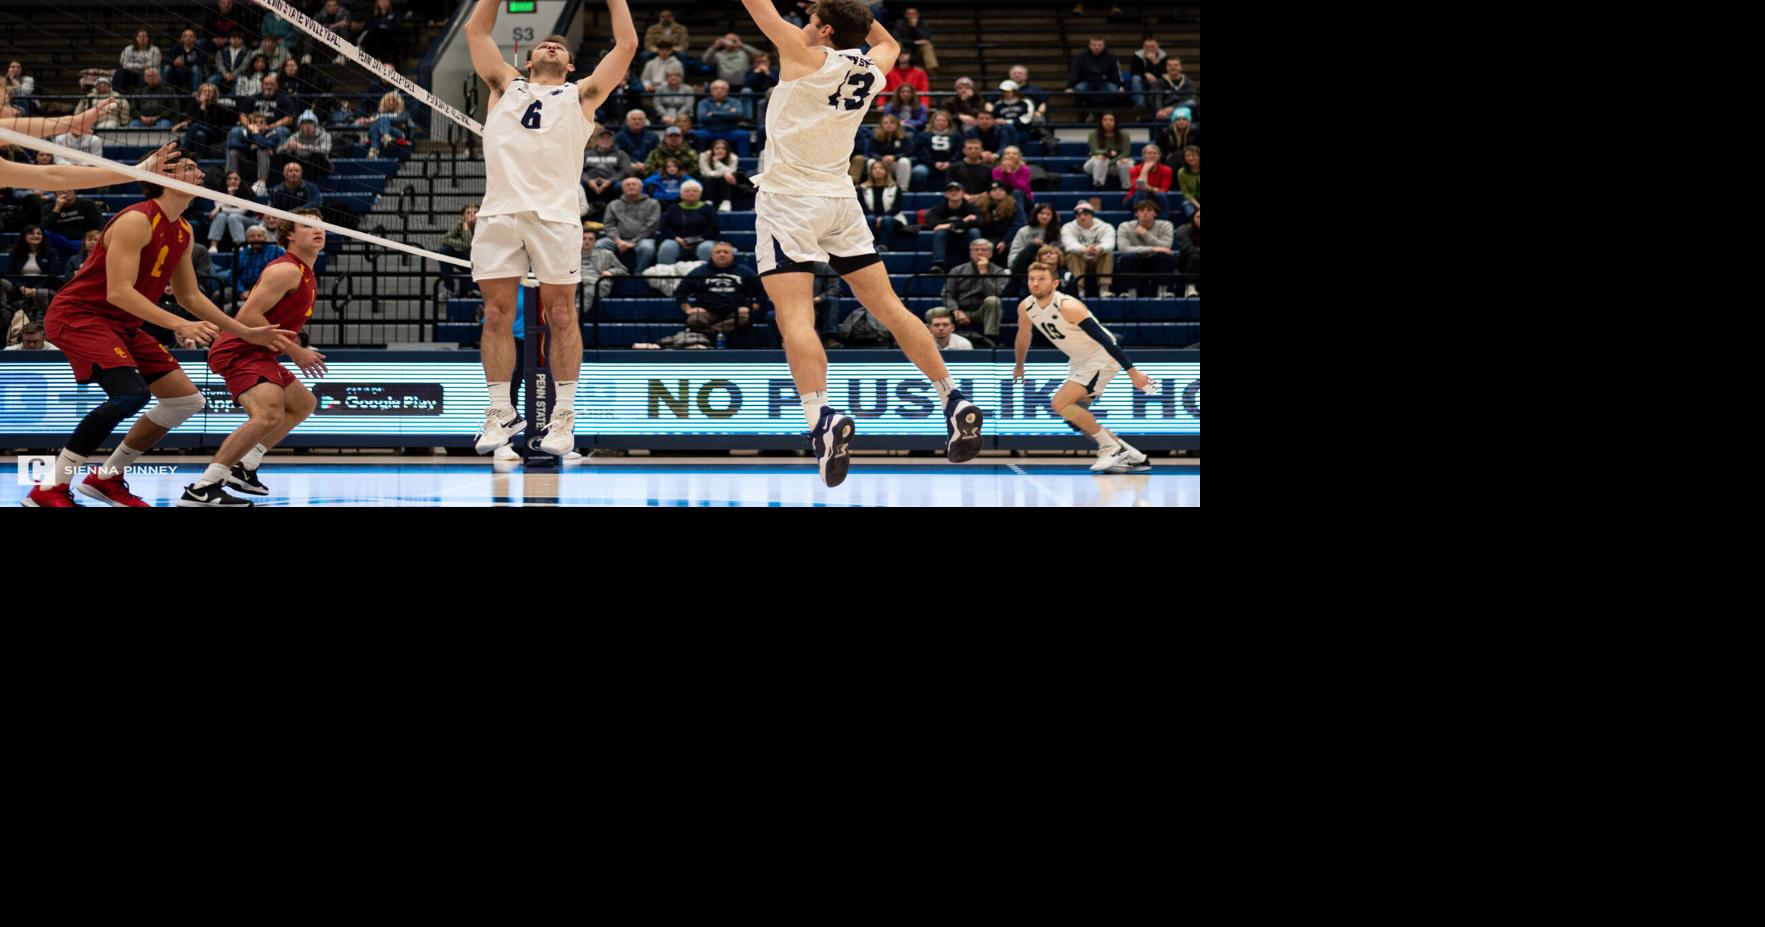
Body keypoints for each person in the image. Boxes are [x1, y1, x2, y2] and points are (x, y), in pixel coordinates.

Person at [740, 0, 983, 486]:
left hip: (790, 201)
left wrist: (837, 14)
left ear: (825, 29)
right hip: (840, 201)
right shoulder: (875, 66)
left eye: (811, 21)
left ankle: (820, 417)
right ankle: (951, 396)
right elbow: (888, 40)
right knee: (890, 307)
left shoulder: (800, 55)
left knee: (795, 318)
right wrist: (849, 11)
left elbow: (758, 8)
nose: (801, 26)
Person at [23, 155, 291, 508]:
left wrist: (245, 331)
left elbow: (189, 295)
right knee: (130, 395)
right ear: (163, 178)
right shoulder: (137, 219)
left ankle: (106, 479)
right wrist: (177, 323)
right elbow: (117, 291)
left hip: (122, 324)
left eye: (197, 168)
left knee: (185, 401)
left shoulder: (184, 229)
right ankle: (49, 488)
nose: (198, 173)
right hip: (81, 314)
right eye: (188, 168)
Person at [465, 0, 637, 457]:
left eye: (559, 47)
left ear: (571, 63)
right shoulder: (505, 84)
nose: (551, 47)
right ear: (527, 60)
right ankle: (500, 412)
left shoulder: (581, 95)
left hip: (556, 217)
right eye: (544, 45)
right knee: (497, 316)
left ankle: (564, 419)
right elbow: (478, 34)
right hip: (499, 212)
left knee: (560, 316)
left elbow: (627, 44)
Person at [189, 208, 330, 505]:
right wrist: (296, 351)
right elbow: (248, 314)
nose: (318, 230)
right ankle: (204, 486)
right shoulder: (286, 270)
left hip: (261, 351)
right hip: (240, 349)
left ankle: (245, 467)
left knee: (303, 404)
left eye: (320, 226)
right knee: (268, 414)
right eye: (307, 226)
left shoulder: (306, 270)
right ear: (289, 235)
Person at [1013, 262, 1153, 473]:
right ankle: (1134, 456)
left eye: (1041, 279)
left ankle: (1110, 448)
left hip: (1101, 357)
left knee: (1059, 403)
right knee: (1076, 416)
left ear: (1055, 282)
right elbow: (1024, 335)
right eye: (1031, 279)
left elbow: (1106, 340)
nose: (1035, 283)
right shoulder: (1026, 306)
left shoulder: (1068, 306)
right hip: (1079, 360)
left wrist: (1133, 372)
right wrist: (1019, 365)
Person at [676, 241, 763, 346]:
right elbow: (680, 291)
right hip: (708, 311)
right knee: (694, 319)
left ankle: (710, 334)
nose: (722, 254)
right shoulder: (699, 272)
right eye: (718, 252)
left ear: (732, 254)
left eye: (725, 252)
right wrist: (688, 309)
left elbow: (762, 292)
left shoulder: (745, 272)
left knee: (745, 318)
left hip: (735, 310)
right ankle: (718, 333)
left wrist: (752, 307)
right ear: (712, 255)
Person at [940, 236, 1006, 341]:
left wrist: (984, 273)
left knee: (993, 301)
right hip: (959, 310)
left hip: (983, 311)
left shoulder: (998, 271)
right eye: (976, 250)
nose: (979, 253)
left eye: (984, 250)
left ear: (990, 254)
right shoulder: (957, 270)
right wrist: (955, 310)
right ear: (971, 253)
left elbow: (996, 293)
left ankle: (991, 339)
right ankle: (938, 343)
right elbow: (947, 294)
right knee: (933, 313)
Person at [595, 176, 660, 273]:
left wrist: (634, 241)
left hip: (643, 239)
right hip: (618, 239)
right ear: (622, 188)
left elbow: (651, 226)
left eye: (634, 184)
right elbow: (609, 224)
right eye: (627, 185)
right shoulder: (614, 204)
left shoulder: (653, 203)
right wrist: (618, 240)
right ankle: (609, 273)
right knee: (599, 245)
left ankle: (639, 274)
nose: (631, 187)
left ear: (641, 188)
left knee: (647, 248)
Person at [1115, 199, 1176, 298]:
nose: (1145, 213)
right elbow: (1123, 249)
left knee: (1166, 257)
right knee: (1127, 258)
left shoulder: (1166, 225)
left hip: (1156, 260)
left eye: (1149, 210)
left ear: (1155, 213)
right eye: (1141, 210)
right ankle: (1131, 292)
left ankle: (1163, 291)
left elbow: (1166, 247)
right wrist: (1152, 249)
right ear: (1136, 214)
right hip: (1137, 260)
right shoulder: (1125, 226)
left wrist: (1145, 234)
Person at [656, 179, 719, 263]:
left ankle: (705, 274)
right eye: (687, 191)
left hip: (703, 240)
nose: (691, 193)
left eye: (695, 191)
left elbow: (714, 228)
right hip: (677, 240)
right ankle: (665, 274)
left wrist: (697, 239)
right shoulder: (673, 208)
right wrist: (677, 239)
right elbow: (664, 227)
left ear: (700, 194)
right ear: (681, 194)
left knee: (706, 248)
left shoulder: (708, 208)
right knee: (666, 247)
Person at [1060, 202, 1115, 297]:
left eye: (1085, 214)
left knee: (1107, 254)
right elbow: (1068, 244)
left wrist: (1099, 248)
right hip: (1080, 257)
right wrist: (1084, 249)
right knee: (1071, 255)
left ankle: (1104, 289)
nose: (1082, 217)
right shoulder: (1068, 227)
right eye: (1079, 215)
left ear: (1092, 215)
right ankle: (1079, 289)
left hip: (1097, 256)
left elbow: (1109, 243)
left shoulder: (1105, 227)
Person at [924, 180, 979, 274]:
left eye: (957, 190)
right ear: (946, 194)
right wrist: (962, 221)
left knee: (974, 231)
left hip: (965, 235)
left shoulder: (970, 207)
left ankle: (976, 262)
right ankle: (938, 264)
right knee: (940, 233)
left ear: (963, 194)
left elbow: (978, 222)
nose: (954, 193)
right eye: (950, 191)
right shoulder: (940, 207)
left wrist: (949, 225)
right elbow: (932, 222)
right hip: (948, 237)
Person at [1064, 36, 1124, 122]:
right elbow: (1074, 72)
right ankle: (1096, 110)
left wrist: (1120, 86)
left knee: (1113, 89)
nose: (1096, 47)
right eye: (1094, 45)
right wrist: (1069, 86)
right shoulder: (1081, 57)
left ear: (1103, 46)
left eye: (1099, 45)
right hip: (1086, 82)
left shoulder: (1111, 57)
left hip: (1105, 82)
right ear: (1089, 45)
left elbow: (1116, 72)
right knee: (1079, 88)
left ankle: (1095, 111)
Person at [174, 82, 234, 159]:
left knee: (196, 126)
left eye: (210, 91)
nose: (207, 93)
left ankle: (183, 150)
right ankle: (198, 159)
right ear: (200, 93)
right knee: (200, 134)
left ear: (214, 94)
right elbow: (192, 119)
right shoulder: (194, 105)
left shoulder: (219, 108)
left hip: (215, 133)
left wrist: (202, 109)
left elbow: (209, 123)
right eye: (205, 91)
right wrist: (202, 106)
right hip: (199, 133)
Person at [908, 109, 959, 191]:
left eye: (944, 120)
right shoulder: (923, 136)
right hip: (928, 165)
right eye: (938, 120)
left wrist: (949, 163)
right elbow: (920, 153)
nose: (941, 123)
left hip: (950, 165)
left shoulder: (956, 136)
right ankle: (923, 194)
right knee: (919, 172)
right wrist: (933, 163)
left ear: (948, 123)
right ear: (933, 122)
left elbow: (959, 152)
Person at [205, 170, 255, 253]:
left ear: (241, 181)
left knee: (233, 216)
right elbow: (218, 208)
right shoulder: (219, 192)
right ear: (225, 181)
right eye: (229, 179)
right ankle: (213, 246)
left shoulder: (247, 192)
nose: (232, 181)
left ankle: (239, 246)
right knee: (220, 216)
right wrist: (229, 195)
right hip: (225, 221)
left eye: (236, 179)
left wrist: (221, 209)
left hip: (247, 221)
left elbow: (241, 211)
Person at [857, 160, 903, 250]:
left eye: (881, 168)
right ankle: (871, 246)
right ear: (870, 172)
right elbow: (862, 208)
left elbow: (896, 208)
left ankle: (883, 246)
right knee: (870, 218)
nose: (878, 170)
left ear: (886, 171)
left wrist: (881, 217)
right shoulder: (862, 188)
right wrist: (875, 217)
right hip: (870, 217)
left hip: (892, 218)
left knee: (886, 220)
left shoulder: (895, 187)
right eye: (875, 168)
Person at [439, 202, 478, 297]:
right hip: (467, 260)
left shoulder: (484, 225)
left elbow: (469, 244)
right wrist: (462, 244)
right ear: (463, 216)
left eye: (475, 212)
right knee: (444, 250)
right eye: (468, 212)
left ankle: (475, 291)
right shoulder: (460, 224)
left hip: (481, 262)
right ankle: (449, 289)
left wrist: (466, 229)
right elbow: (444, 239)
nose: (472, 214)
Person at [697, 137, 746, 212]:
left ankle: (726, 202)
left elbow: (731, 172)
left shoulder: (733, 157)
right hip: (708, 181)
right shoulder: (704, 156)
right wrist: (724, 173)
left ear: (727, 150)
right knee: (711, 178)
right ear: (712, 149)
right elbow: (706, 173)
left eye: (723, 148)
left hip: (726, 183)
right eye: (717, 148)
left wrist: (716, 162)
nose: (720, 150)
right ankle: (708, 202)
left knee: (724, 178)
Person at [1085, 112, 1131, 189]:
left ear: (1115, 122)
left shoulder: (1124, 134)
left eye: (1111, 120)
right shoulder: (1093, 134)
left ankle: (1127, 188)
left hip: (1114, 164)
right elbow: (1095, 151)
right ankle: (1098, 186)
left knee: (1125, 162)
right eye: (1105, 120)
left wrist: (1109, 162)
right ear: (1101, 122)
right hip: (1094, 165)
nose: (1108, 122)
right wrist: (1107, 152)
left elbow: (1125, 153)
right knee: (1101, 158)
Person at [1123, 142, 1173, 214]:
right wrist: (1144, 170)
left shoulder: (1167, 170)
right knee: (1141, 193)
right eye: (1149, 153)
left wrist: (1149, 188)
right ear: (1143, 156)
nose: (1152, 155)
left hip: (1156, 198)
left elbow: (1164, 190)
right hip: (1134, 199)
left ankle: (1163, 222)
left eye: (1155, 153)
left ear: (1159, 156)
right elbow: (1139, 187)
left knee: (1161, 195)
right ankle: (1138, 222)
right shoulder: (1134, 169)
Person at [890, 6, 938, 75]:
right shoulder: (900, 23)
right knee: (897, 44)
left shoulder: (922, 23)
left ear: (917, 14)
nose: (911, 16)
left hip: (917, 52)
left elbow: (927, 38)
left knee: (927, 45)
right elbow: (895, 38)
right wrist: (913, 42)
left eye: (913, 13)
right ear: (905, 15)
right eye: (909, 13)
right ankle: (892, 67)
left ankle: (931, 69)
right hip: (903, 50)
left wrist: (914, 27)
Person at [117, 29, 161, 94]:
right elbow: (124, 63)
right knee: (121, 72)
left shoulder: (155, 49)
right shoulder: (128, 49)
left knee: (147, 74)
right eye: (140, 36)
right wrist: (142, 66)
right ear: (136, 38)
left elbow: (154, 63)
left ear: (148, 38)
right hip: (131, 73)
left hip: (147, 72)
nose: (142, 38)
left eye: (144, 36)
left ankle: (139, 97)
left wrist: (134, 65)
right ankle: (119, 94)